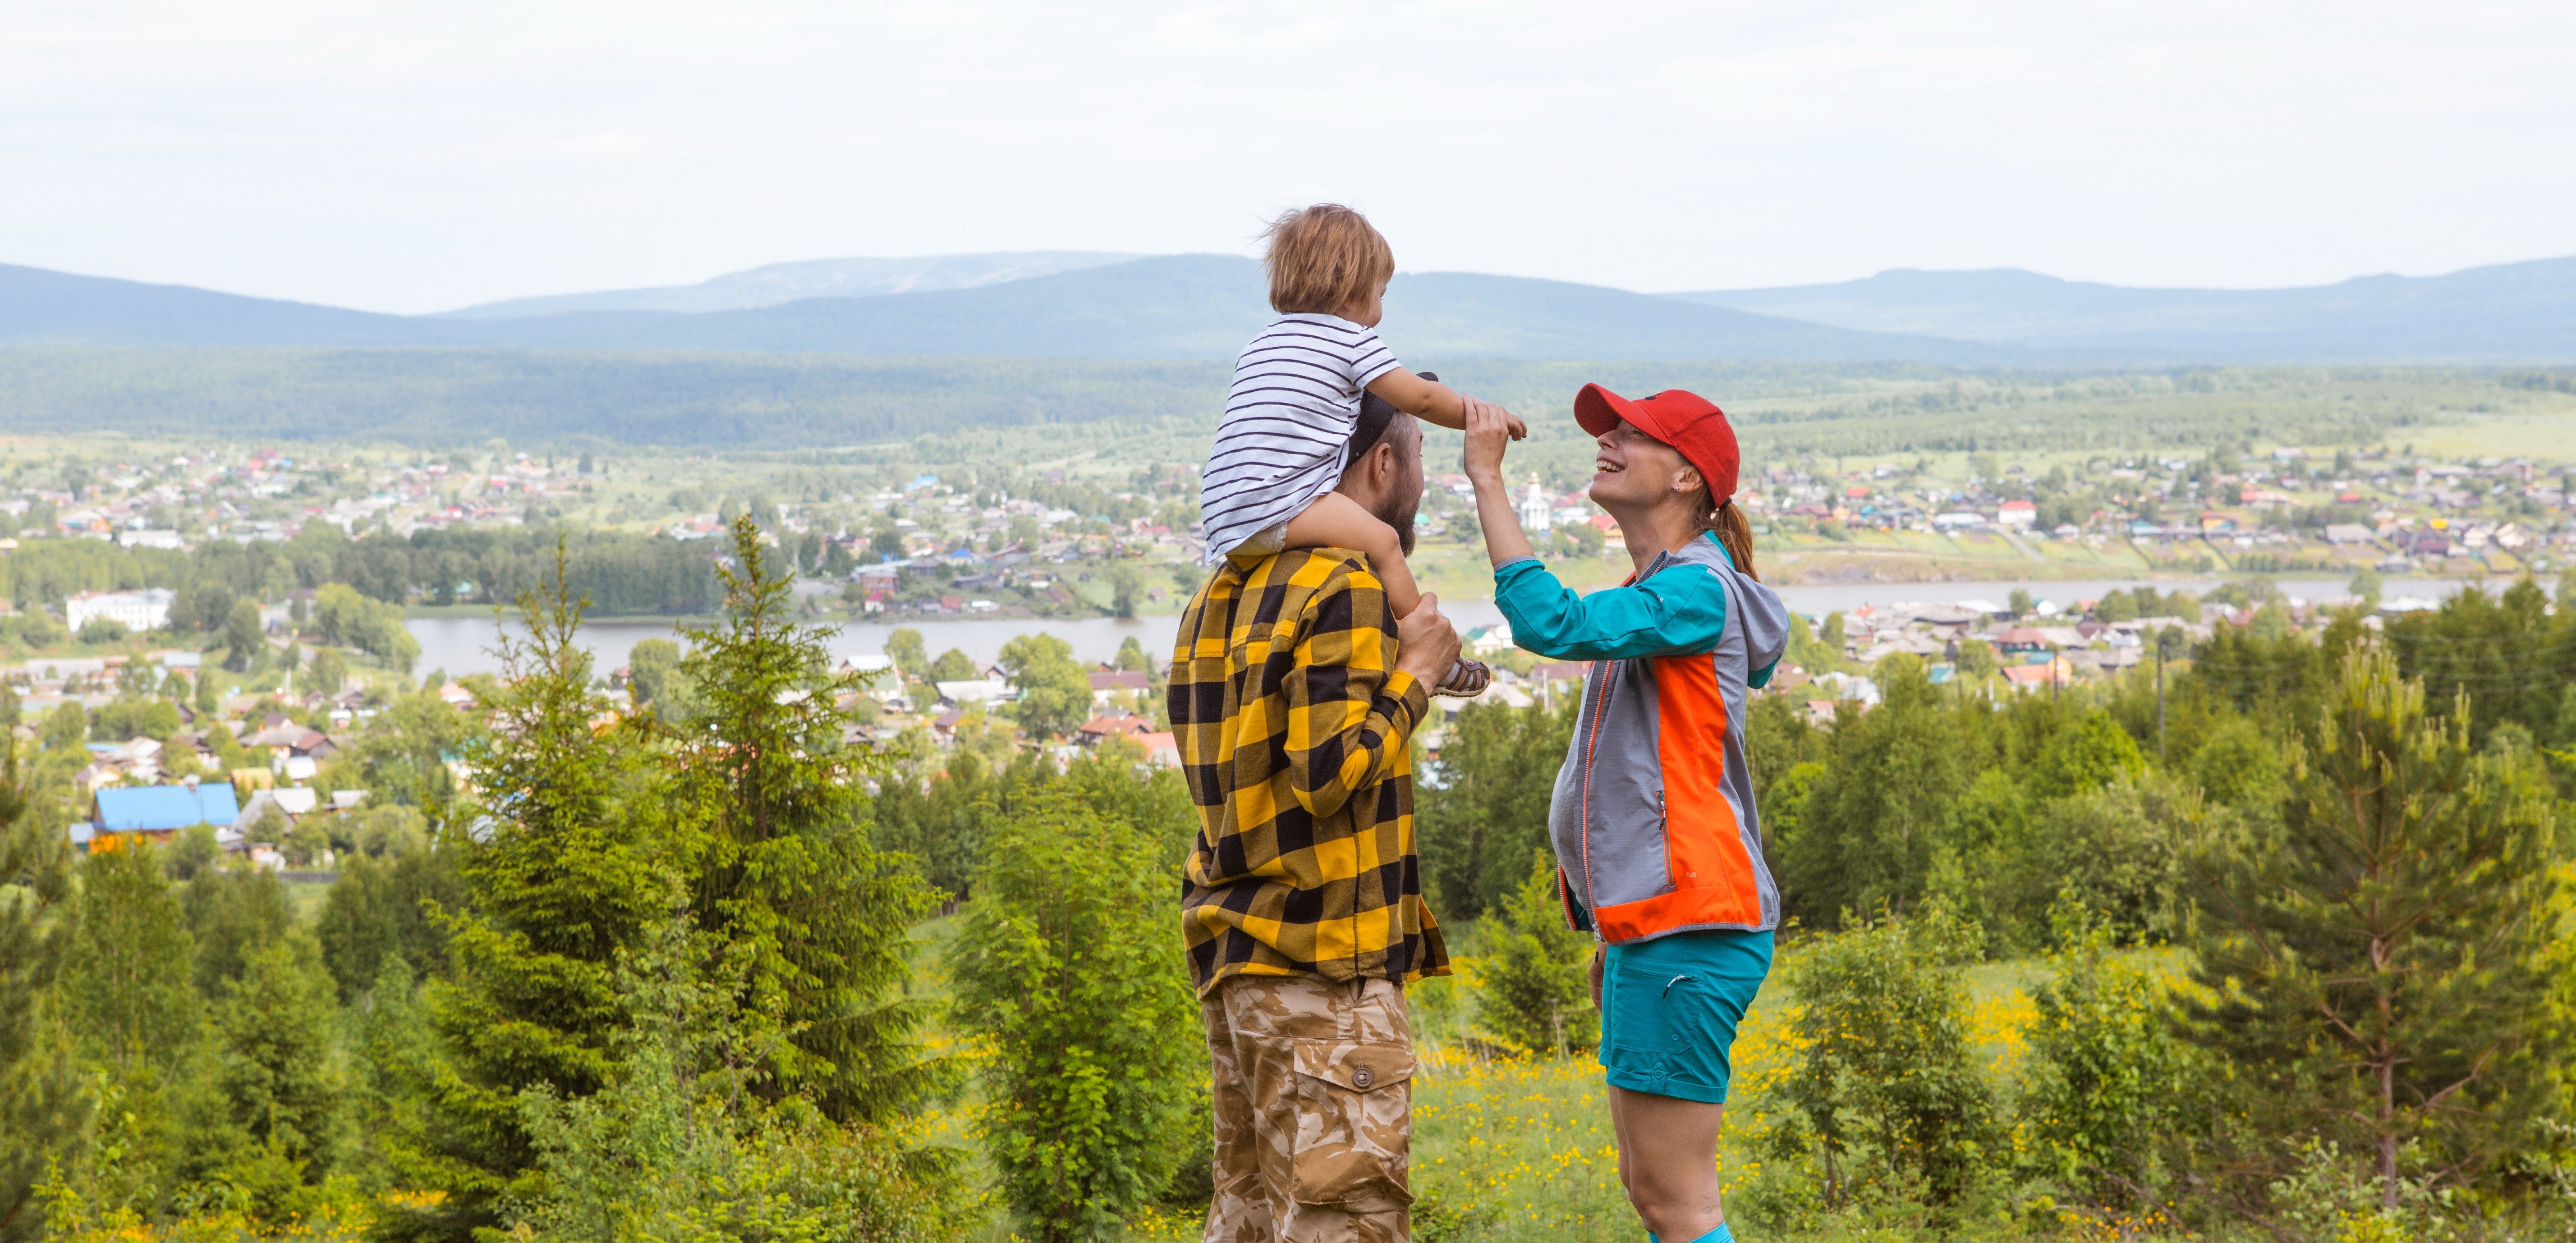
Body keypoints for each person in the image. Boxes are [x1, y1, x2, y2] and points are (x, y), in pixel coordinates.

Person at [1460, 385, 1789, 1243]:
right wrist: (1612, 931)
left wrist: (1486, 481)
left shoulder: (1696, 592)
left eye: (1631, 434)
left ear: (1687, 475)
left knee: (1678, 1202)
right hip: (1657, 926)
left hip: (1692, 920)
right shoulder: (1662, 594)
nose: (1606, 439)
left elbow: (1549, 622)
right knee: (1654, 1194)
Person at [1171, 390, 1466, 1243]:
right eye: (1414, 457)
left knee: (1249, 1217)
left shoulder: (1218, 593)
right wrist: (1415, 674)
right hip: (1323, 967)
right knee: (1345, 1221)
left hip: (1239, 964)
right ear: (1382, 463)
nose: (1415, 477)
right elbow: (1329, 774)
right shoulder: (1343, 587)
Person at [1198, 202, 1521, 695]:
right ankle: (1430, 647)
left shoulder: (1260, 344)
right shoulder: (1351, 340)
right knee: (1384, 545)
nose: (1380, 309)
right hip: (1277, 507)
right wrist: (1483, 418)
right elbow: (1423, 397)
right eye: (1380, 293)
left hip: (1225, 519)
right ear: (1353, 287)